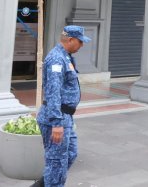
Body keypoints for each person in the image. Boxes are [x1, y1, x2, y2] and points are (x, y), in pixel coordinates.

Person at [35, 25, 89, 187]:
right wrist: (57, 123)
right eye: (80, 41)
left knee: (70, 154)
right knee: (56, 162)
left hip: (66, 117)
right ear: (71, 40)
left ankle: (43, 184)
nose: (82, 45)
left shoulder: (65, 56)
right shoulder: (57, 59)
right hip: (57, 118)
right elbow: (53, 92)